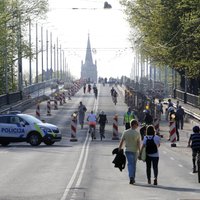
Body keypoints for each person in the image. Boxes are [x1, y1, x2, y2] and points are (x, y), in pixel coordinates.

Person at [118, 119, 140, 184]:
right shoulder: (137, 133)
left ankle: (132, 177)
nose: (137, 126)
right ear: (134, 125)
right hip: (135, 151)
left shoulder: (125, 132)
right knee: (134, 164)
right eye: (137, 125)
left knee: (130, 164)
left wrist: (119, 149)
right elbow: (138, 143)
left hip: (127, 150)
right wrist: (140, 151)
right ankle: (132, 177)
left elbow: (122, 141)